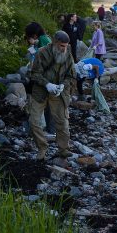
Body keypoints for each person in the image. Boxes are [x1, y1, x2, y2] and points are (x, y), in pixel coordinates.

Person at [29, 31, 75, 160]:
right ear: (54, 43)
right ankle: (42, 148)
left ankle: (63, 149)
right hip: (40, 92)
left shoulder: (68, 55)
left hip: (58, 93)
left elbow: (71, 76)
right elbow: (34, 73)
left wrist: (63, 86)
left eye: (66, 46)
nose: (64, 48)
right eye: (61, 45)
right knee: (34, 122)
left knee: (62, 122)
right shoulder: (41, 52)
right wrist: (47, 84)